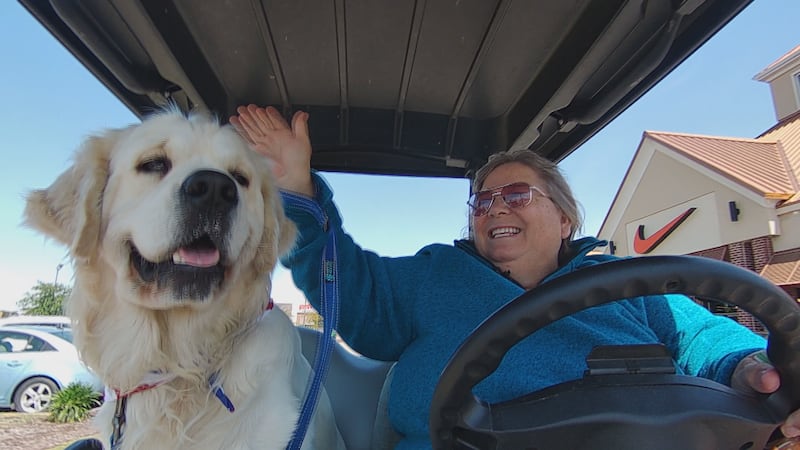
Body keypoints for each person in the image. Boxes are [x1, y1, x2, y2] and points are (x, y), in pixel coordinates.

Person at [231, 104, 800, 449]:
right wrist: (298, 192)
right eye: (481, 202)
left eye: (516, 194)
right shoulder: (434, 277)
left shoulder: (633, 285)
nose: (494, 208)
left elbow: (704, 336)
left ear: (564, 217)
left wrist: (751, 364)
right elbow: (347, 288)